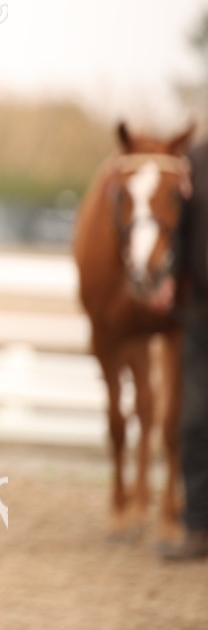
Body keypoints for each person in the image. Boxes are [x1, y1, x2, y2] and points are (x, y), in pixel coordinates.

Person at [165, 138, 208, 561]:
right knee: (194, 421)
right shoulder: (194, 160)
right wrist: (168, 278)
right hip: (201, 316)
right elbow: (174, 226)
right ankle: (197, 528)